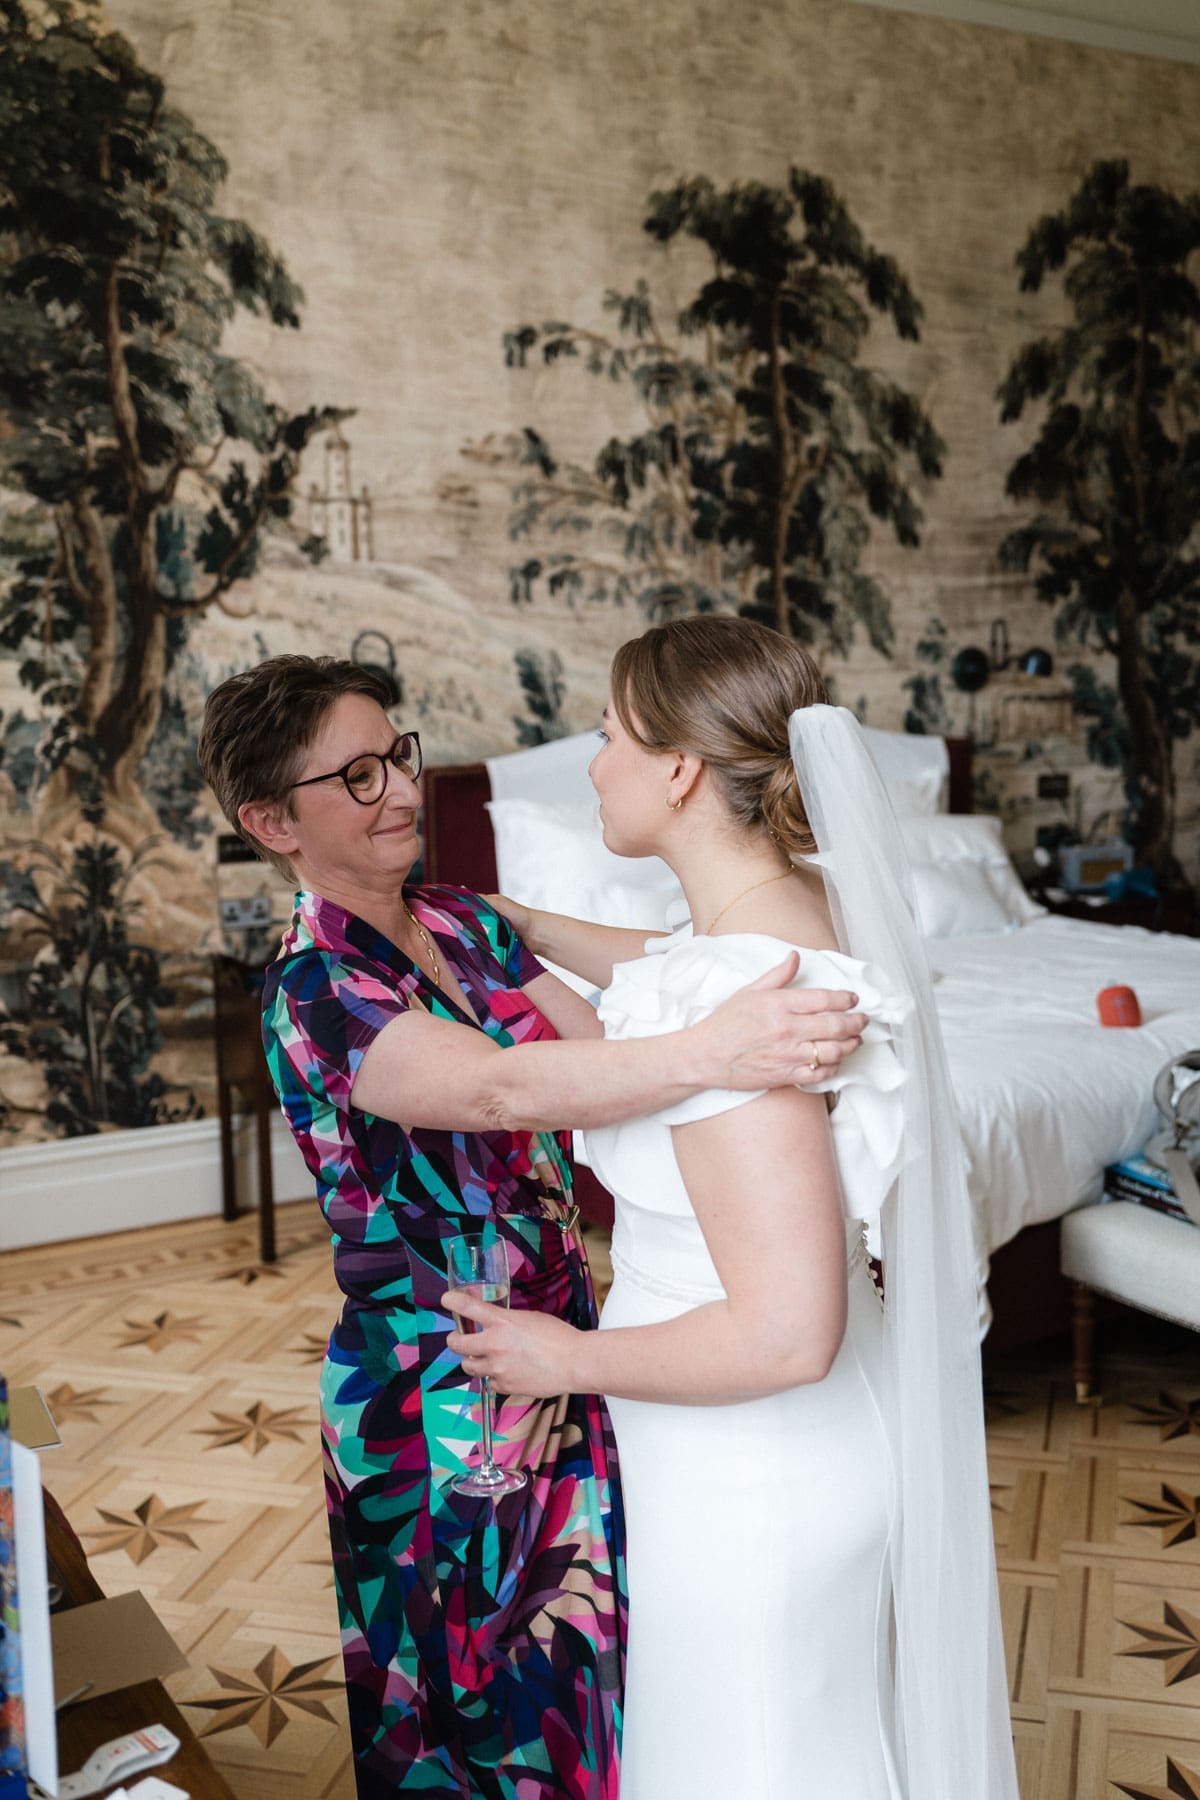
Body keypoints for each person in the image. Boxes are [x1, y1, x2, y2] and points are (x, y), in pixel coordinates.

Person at [196, 653, 867, 1800]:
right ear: (273, 821)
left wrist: (726, 989)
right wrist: (719, 1050)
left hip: (567, 1341)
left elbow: (598, 1052)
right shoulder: (313, 992)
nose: (401, 791)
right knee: (468, 1707)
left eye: (396, 755)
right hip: (445, 1385)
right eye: (355, 777)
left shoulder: (459, 923)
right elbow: (506, 1090)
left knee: (573, 1692)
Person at [446, 616, 1020, 1800]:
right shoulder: (792, 918)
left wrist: (566, 1357)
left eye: (606, 734)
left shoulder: (736, 1009)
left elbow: (783, 1333)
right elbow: (661, 974)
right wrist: (524, 930)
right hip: (798, 1443)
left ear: (678, 769)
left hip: (751, 1465)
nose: (593, 760)